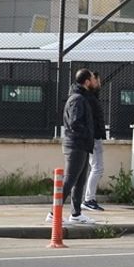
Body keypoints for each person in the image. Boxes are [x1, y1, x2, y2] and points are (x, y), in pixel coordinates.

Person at [55, 68, 99, 226]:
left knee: (80, 181)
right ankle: (54, 213)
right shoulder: (77, 99)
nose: (96, 82)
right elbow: (75, 123)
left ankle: (76, 214)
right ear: (87, 81)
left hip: (82, 145)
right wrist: (87, 134)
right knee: (70, 180)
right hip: (75, 145)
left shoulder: (83, 97)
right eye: (94, 78)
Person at [82, 71, 107, 211]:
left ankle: (87, 198)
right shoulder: (89, 98)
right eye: (97, 80)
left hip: (93, 136)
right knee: (97, 168)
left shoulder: (91, 97)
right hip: (93, 137)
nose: (99, 83)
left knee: (93, 168)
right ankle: (89, 199)